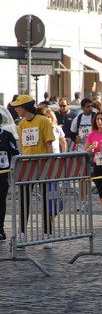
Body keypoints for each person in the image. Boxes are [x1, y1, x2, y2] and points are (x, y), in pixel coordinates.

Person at [11, 95, 55, 238]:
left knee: (45, 200)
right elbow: (23, 147)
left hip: (42, 165)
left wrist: (51, 165)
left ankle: (48, 232)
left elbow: (49, 145)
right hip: (27, 166)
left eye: (18, 106)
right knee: (24, 200)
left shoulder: (43, 121)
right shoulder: (21, 124)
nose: (16, 109)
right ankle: (22, 232)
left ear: (24, 107)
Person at [70, 98, 97, 212]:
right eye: (87, 106)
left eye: (91, 106)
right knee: (83, 178)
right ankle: (83, 202)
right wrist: (76, 139)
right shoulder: (78, 118)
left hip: (96, 151)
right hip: (83, 151)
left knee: (98, 177)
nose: (90, 108)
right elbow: (71, 132)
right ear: (82, 107)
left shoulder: (95, 116)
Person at [0, 112, 19, 241]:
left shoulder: (7, 135)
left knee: (0, 200)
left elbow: (15, 152)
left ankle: (0, 229)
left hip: (3, 174)